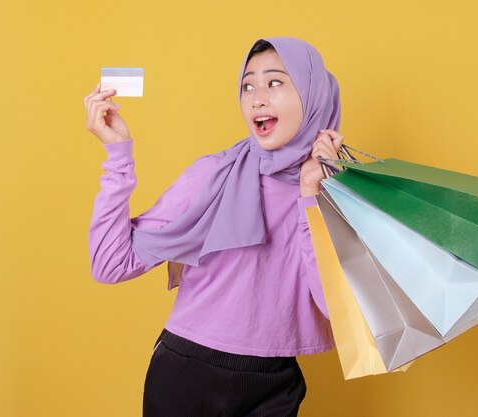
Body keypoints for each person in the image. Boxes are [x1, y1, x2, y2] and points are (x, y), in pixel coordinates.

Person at [83, 37, 344, 417]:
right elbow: (110, 264)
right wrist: (118, 159)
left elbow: (334, 306)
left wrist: (311, 194)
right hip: (188, 374)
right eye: (247, 85)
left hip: (276, 383)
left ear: (314, 93)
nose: (256, 98)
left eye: (275, 82)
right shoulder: (213, 175)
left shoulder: (332, 195)